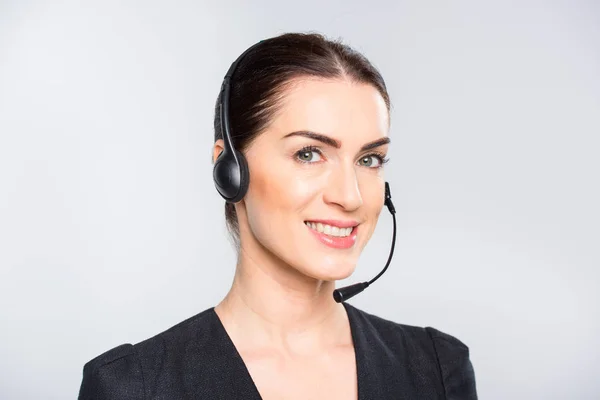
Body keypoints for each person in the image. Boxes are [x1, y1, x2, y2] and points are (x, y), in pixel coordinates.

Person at [78, 32, 478, 400]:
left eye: (369, 159)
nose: (350, 196)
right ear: (230, 169)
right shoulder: (132, 387)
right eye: (309, 154)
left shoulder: (438, 370)